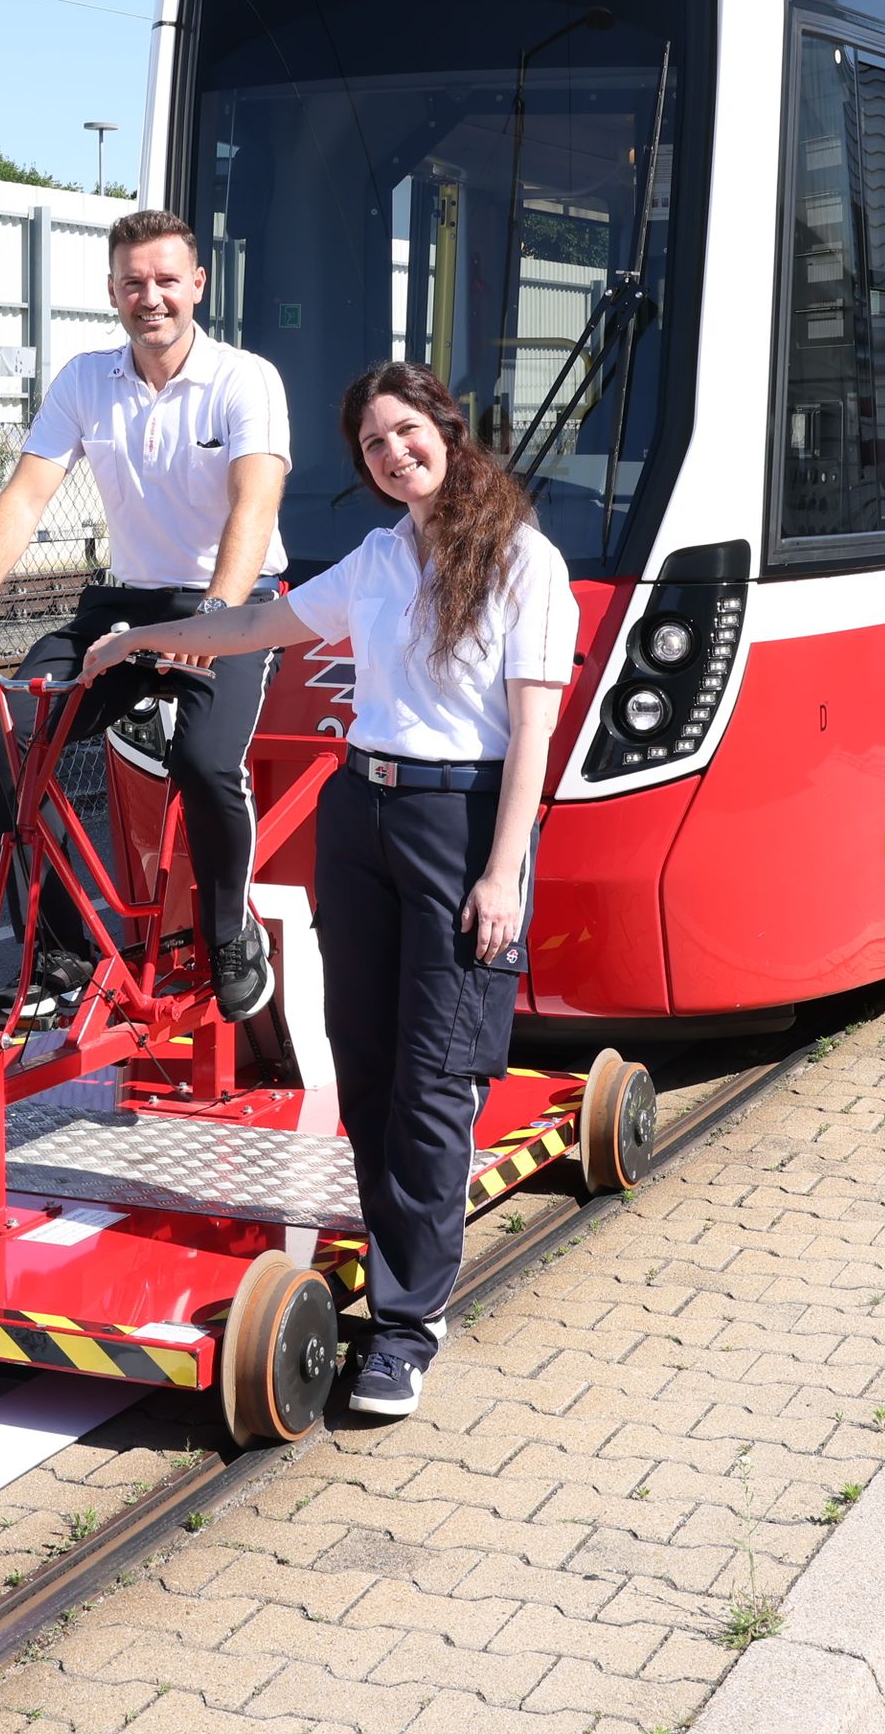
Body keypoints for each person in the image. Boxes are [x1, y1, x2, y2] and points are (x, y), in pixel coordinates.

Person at [77, 360, 577, 1423]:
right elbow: (258, 627)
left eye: (406, 432)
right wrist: (148, 638)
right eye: (373, 446)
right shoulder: (378, 558)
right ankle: (401, 1261)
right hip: (364, 819)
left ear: (447, 427)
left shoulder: (526, 562)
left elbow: (533, 729)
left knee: (435, 1086)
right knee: (365, 1066)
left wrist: (504, 871)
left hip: (459, 822)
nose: (394, 454)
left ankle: (406, 1328)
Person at [0, 207, 293, 1024]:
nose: (152, 296)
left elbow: (254, 502)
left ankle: (232, 933)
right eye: (134, 283)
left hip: (233, 600)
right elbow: (29, 492)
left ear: (198, 284)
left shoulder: (246, 379)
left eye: (167, 279)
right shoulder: (86, 380)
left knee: (203, 762)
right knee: (10, 731)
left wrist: (215, 618)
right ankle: (60, 945)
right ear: (112, 292)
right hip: (126, 604)